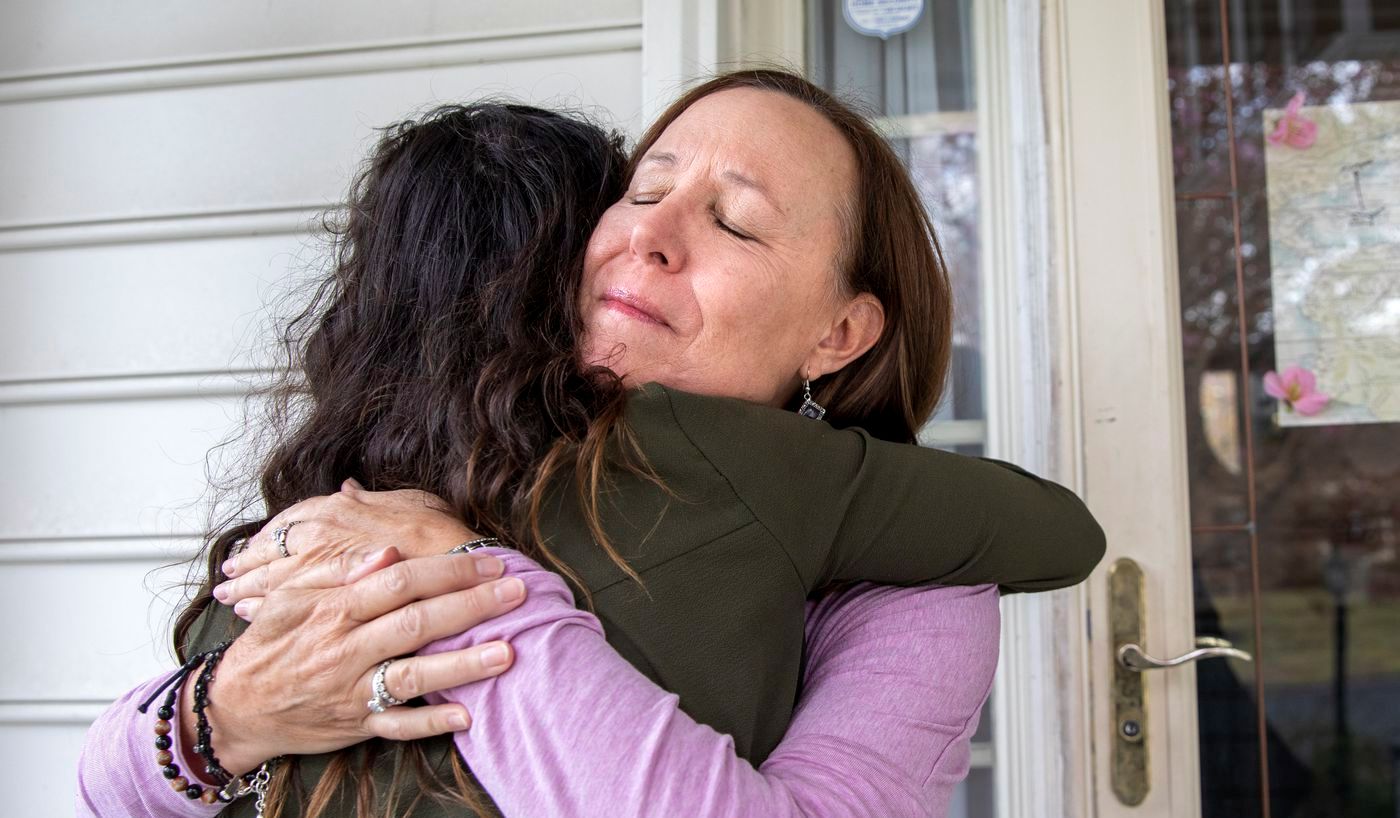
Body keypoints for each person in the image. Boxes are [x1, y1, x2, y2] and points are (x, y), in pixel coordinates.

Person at [79, 70, 1104, 818]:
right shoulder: (447, 449)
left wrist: (466, 582)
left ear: (837, 333)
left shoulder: (910, 580)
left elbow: (1054, 532)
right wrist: (220, 717)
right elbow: (111, 779)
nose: (649, 235)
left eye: (736, 224)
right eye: (642, 189)